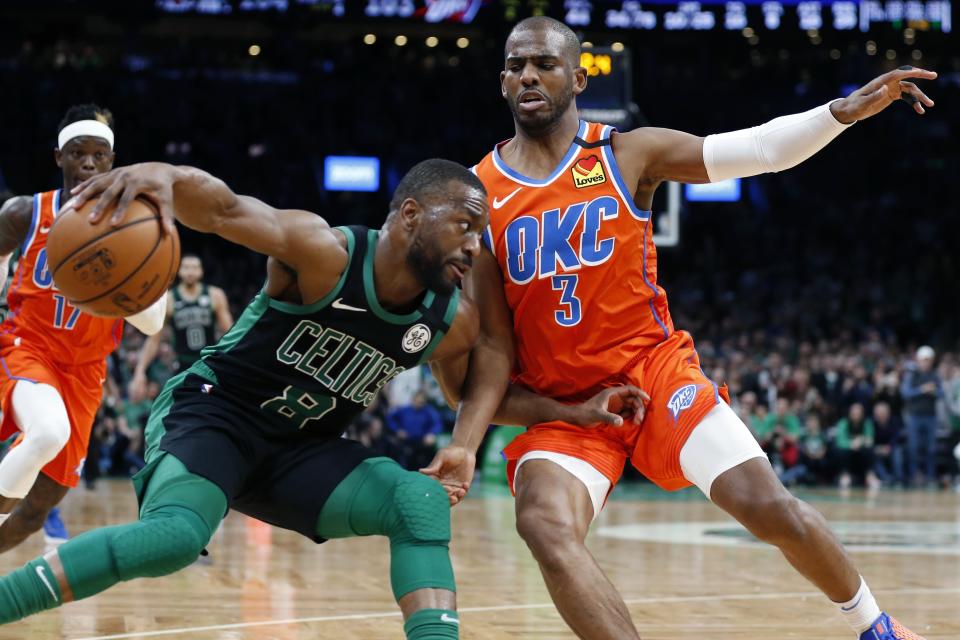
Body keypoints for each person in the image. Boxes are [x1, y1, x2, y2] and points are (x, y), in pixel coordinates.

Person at [425, 17, 935, 640]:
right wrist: (465, 443)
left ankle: (875, 626)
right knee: (542, 524)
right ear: (502, 82)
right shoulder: (481, 194)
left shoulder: (625, 154)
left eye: (544, 63)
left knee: (767, 506)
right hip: (565, 403)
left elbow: (757, 150)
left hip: (654, 372)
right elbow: (496, 344)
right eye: (514, 65)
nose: (527, 74)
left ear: (578, 77)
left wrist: (844, 110)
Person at [0, 158, 641, 639]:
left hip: (300, 451)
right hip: (213, 415)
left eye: (481, 232)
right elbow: (223, 210)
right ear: (412, 216)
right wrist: (162, 176)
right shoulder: (323, 252)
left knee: (417, 499)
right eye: (464, 226)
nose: (474, 246)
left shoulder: (449, 319)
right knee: (171, 540)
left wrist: (519, 428)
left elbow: (481, 384)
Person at [0, 104, 166, 553]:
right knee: (48, 432)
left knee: (37, 511)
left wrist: (121, 276)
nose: (88, 164)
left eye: (98, 155)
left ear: (113, 162)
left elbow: (152, 322)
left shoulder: (137, 224)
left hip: (86, 373)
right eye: (77, 154)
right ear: (59, 157)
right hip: (26, 350)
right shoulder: (25, 213)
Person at [128, 254, 234, 402]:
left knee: (207, 395)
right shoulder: (169, 299)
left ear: (201, 271)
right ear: (179, 271)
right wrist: (140, 371)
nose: (190, 272)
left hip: (208, 364)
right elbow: (154, 340)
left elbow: (231, 333)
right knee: (186, 400)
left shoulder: (214, 295)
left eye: (194, 268)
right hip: (183, 366)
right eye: (186, 267)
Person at [900, 345, 944, 486]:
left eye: (928, 360)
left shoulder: (935, 375)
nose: (926, 362)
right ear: (919, 360)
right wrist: (922, 389)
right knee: (913, 448)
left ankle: (930, 477)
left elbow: (941, 394)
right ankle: (914, 476)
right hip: (914, 417)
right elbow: (905, 393)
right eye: (923, 360)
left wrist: (933, 391)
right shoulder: (912, 375)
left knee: (931, 449)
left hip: (931, 416)